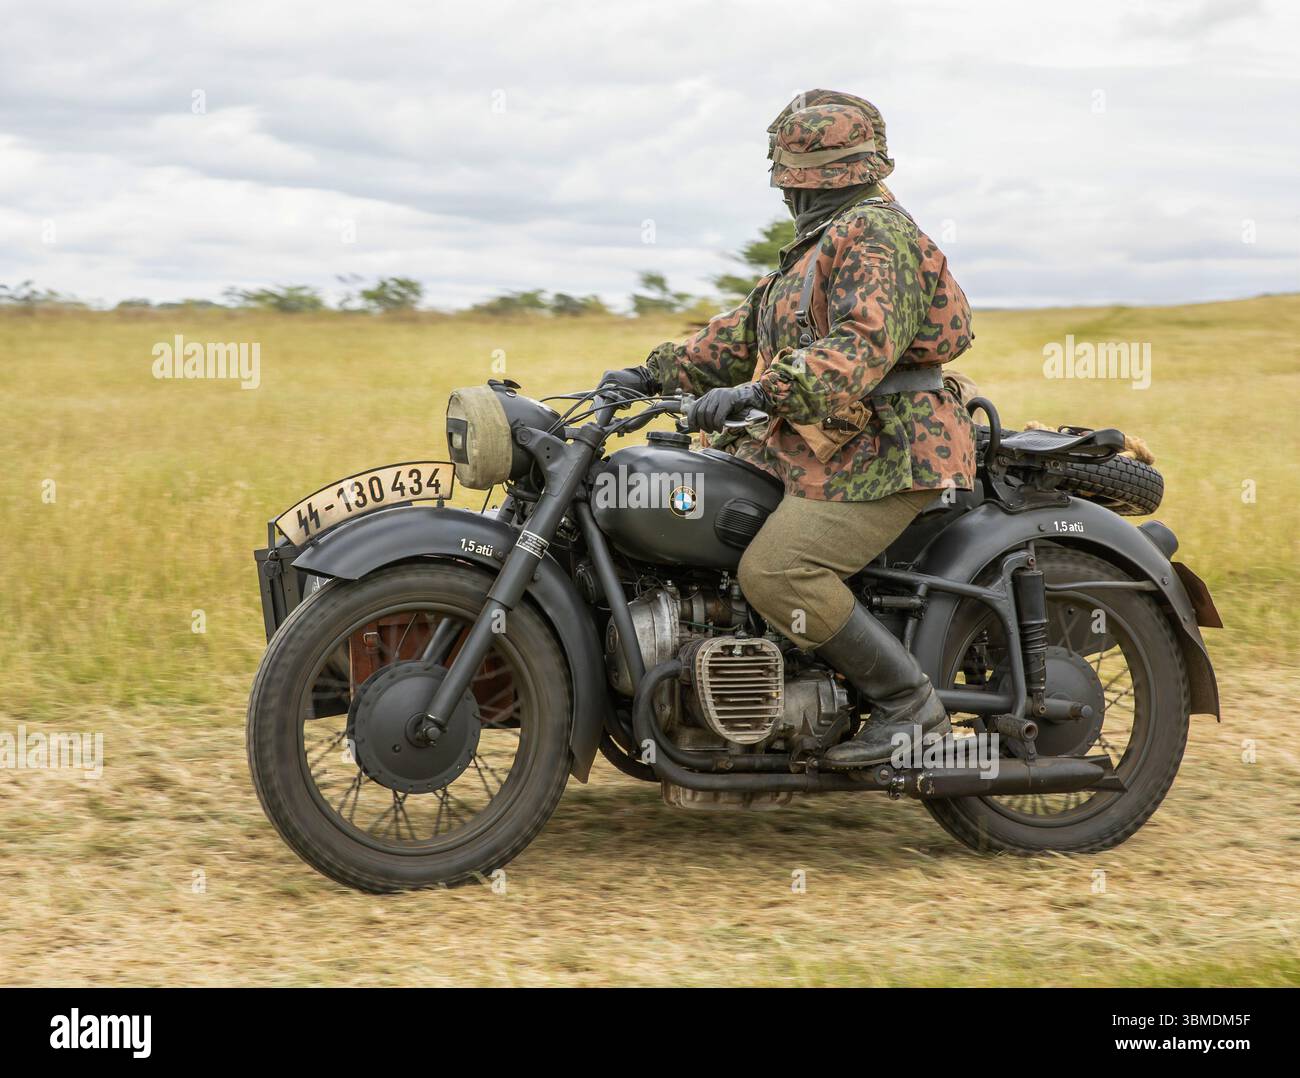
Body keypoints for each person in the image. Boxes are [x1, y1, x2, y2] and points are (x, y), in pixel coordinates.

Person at [602, 89, 975, 767]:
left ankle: (910, 708)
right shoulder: (813, 251)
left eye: (794, 181)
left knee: (777, 571)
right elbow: (735, 337)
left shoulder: (877, 235)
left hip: (890, 454)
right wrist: (650, 373)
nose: (787, 196)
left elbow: (858, 350)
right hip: (820, 450)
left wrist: (757, 391)